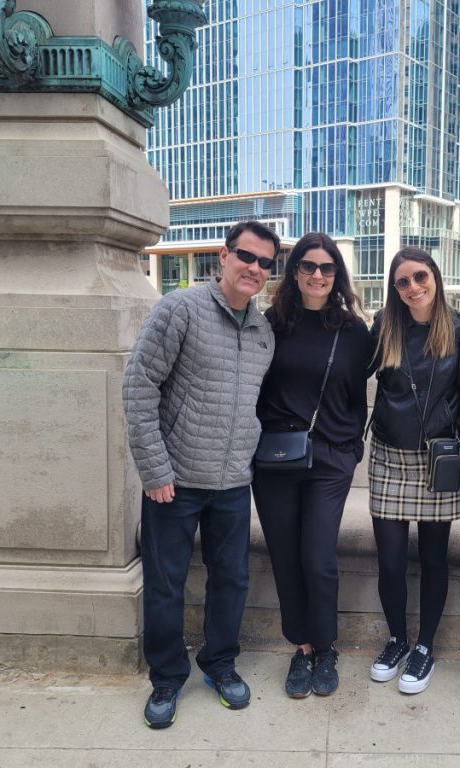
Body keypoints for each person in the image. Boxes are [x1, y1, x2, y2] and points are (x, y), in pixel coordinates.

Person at [123, 221, 279, 729]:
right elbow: (139, 387)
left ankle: (219, 663)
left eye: (264, 263)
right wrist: (154, 468)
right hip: (175, 481)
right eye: (246, 256)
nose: (254, 268)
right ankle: (167, 679)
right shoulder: (179, 309)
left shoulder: (262, 332)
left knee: (231, 580)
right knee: (166, 584)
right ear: (224, 256)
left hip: (233, 481)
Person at [251, 232, 372, 699]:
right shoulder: (271, 323)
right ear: (294, 271)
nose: (317, 275)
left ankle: (326, 647)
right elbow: (254, 389)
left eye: (326, 268)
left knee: (318, 558)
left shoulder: (353, 330)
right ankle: (301, 648)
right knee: (284, 556)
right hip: (276, 459)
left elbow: (356, 399)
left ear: (337, 275)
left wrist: (350, 450)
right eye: (307, 266)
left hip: (330, 460)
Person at [366, 247, 460, 695]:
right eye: (403, 282)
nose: (413, 287)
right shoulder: (384, 328)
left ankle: (425, 646)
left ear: (434, 276)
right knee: (391, 561)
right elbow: (346, 372)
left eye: (420, 277)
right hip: (390, 457)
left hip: (438, 457)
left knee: (434, 558)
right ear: (394, 289)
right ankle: (396, 639)